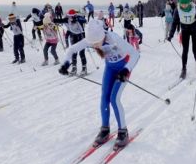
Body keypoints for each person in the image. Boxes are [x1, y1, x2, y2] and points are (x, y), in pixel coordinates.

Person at [58, 20, 140, 150]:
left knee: (114, 99)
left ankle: (123, 131)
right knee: (104, 98)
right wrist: (66, 63)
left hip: (123, 67)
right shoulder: (91, 39)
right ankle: (105, 129)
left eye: (97, 43)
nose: (95, 46)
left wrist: (126, 70)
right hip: (110, 68)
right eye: (92, 43)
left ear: (102, 36)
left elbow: (135, 54)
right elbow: (71, 49)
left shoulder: (114, 38)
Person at [167, 0, 196, 79]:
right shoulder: (177, 10)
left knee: (195, 49)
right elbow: (175, 23)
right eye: (181, 3)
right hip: (185, 30)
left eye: (185, 3)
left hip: (194, 30)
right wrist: (171, 34)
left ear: (189, 3)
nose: (183, 5)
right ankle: (183, 68)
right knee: (185, 50)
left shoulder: (194, 8)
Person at [54, 9, 87, 75]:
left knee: (81, 53)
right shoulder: (67, 19)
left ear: (74, 15)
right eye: (68, 16)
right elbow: (59, 20)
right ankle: (74, 68)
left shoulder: (78, 18)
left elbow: (84, 20)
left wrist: (76, 19)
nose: (69, 17)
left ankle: (84, 68)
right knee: (73, 53)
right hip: (73, 36)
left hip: (81, 36)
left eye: (71, 16)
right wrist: (52, 19)